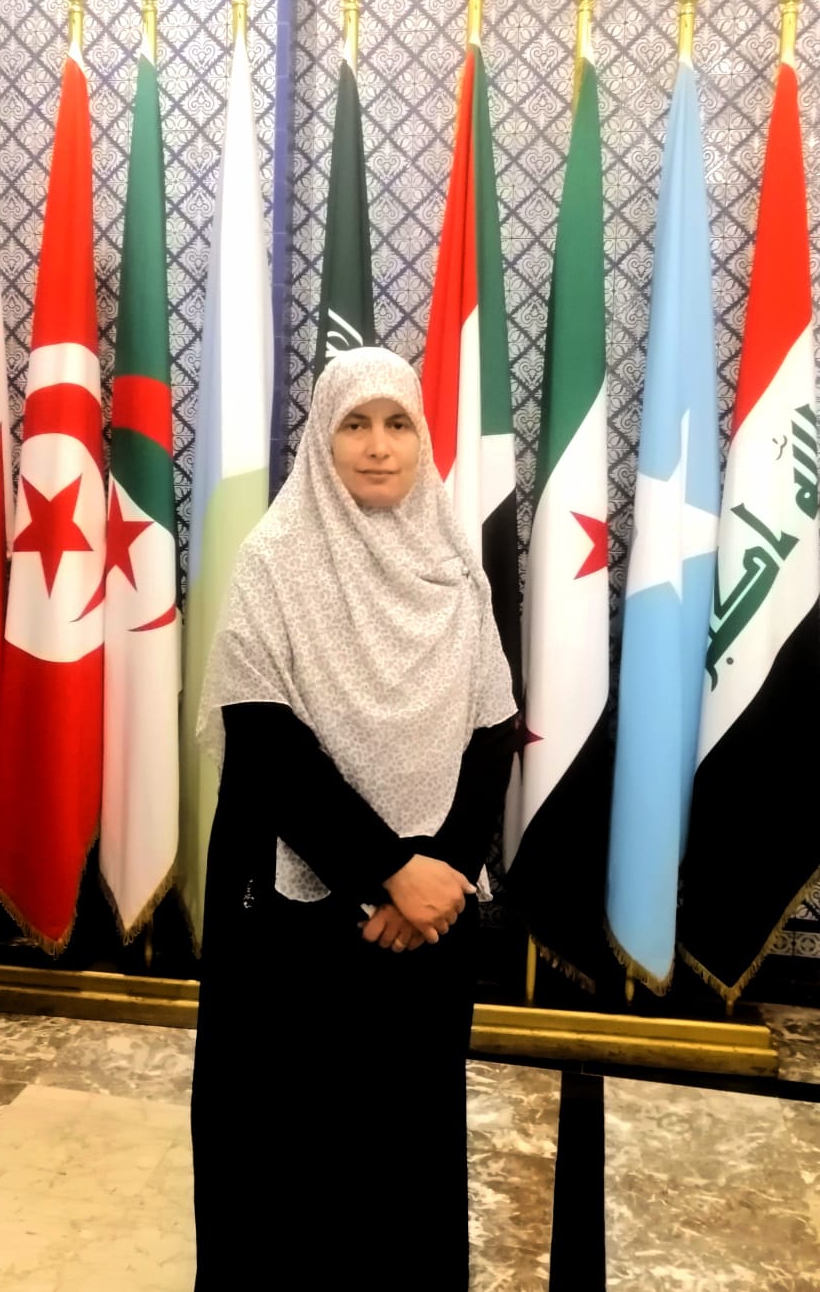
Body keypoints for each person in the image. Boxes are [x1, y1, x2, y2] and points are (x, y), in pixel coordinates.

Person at [190, 345, 518, 1290]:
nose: (379, 447)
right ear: (321, 442)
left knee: (406, 1148)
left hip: (429, 920)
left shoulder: (454, 567)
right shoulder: (275, 561)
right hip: (294, 924)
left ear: (421, 439)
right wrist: (389, 873)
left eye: (398, 423)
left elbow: (492, 729)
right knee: (285, 1154)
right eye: (355, 424)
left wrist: (440, 875)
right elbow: (265, 743)